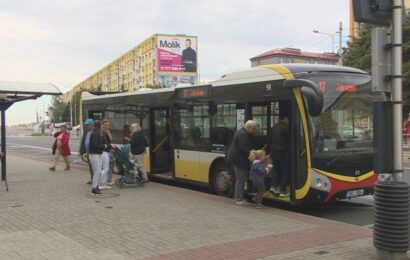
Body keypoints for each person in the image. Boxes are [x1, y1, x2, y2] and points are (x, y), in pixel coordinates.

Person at [226, 120, 256, 205]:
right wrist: (252, 153)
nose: (253, 131)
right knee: (240, 180)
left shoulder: (241, 132)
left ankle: (239, 197)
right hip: (238, 161)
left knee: (240, 179)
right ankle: (239, 199)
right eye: (253, 129)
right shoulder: (243, 134)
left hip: (237, 160)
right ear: (249, 127)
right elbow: (244, 148)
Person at [266, 114, 290, 197]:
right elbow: (290, 140)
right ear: (285, 118)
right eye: (288, 119)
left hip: (274, 152)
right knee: (284, 171)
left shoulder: (274, 127)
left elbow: (269, 140)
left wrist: (269, 151)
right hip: (283, 152)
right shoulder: (286, 128)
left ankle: (273, 186)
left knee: (276, 170)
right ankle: (282, 190)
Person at [89, 120, 111, 195]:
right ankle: (94, 188)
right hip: (95, 154)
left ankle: (96, 186)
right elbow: (95, 145)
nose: (103, 126)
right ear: (99, 126)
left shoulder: (96, 133)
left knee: (97, 171)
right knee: (97, 171)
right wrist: (104, 146)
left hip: (96, 154)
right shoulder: (95, 134)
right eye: (102, 125)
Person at [100, 119, 113, 189]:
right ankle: (101, 183)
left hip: (108, 151)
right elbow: (106, 143)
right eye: (105, 125)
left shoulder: (107, 132)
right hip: (104, 152)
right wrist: (111, 146)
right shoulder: (103, 133)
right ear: (102, 125)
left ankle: (105, 183)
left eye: (108, 125)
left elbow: (108, 142)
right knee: (105, 168)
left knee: (107, 168)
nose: (107, 126)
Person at [80, 118, 94, 184]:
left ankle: (97, 180)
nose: (86, 126)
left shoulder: (95, 132)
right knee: (90, 166)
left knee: (96, 166)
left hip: (94, 152)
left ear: (92, 125)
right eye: (86, 125)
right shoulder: (86, 132)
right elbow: (83, 141)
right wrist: (81, 151)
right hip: (87, 152)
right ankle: (92, 179)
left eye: (88, 125)